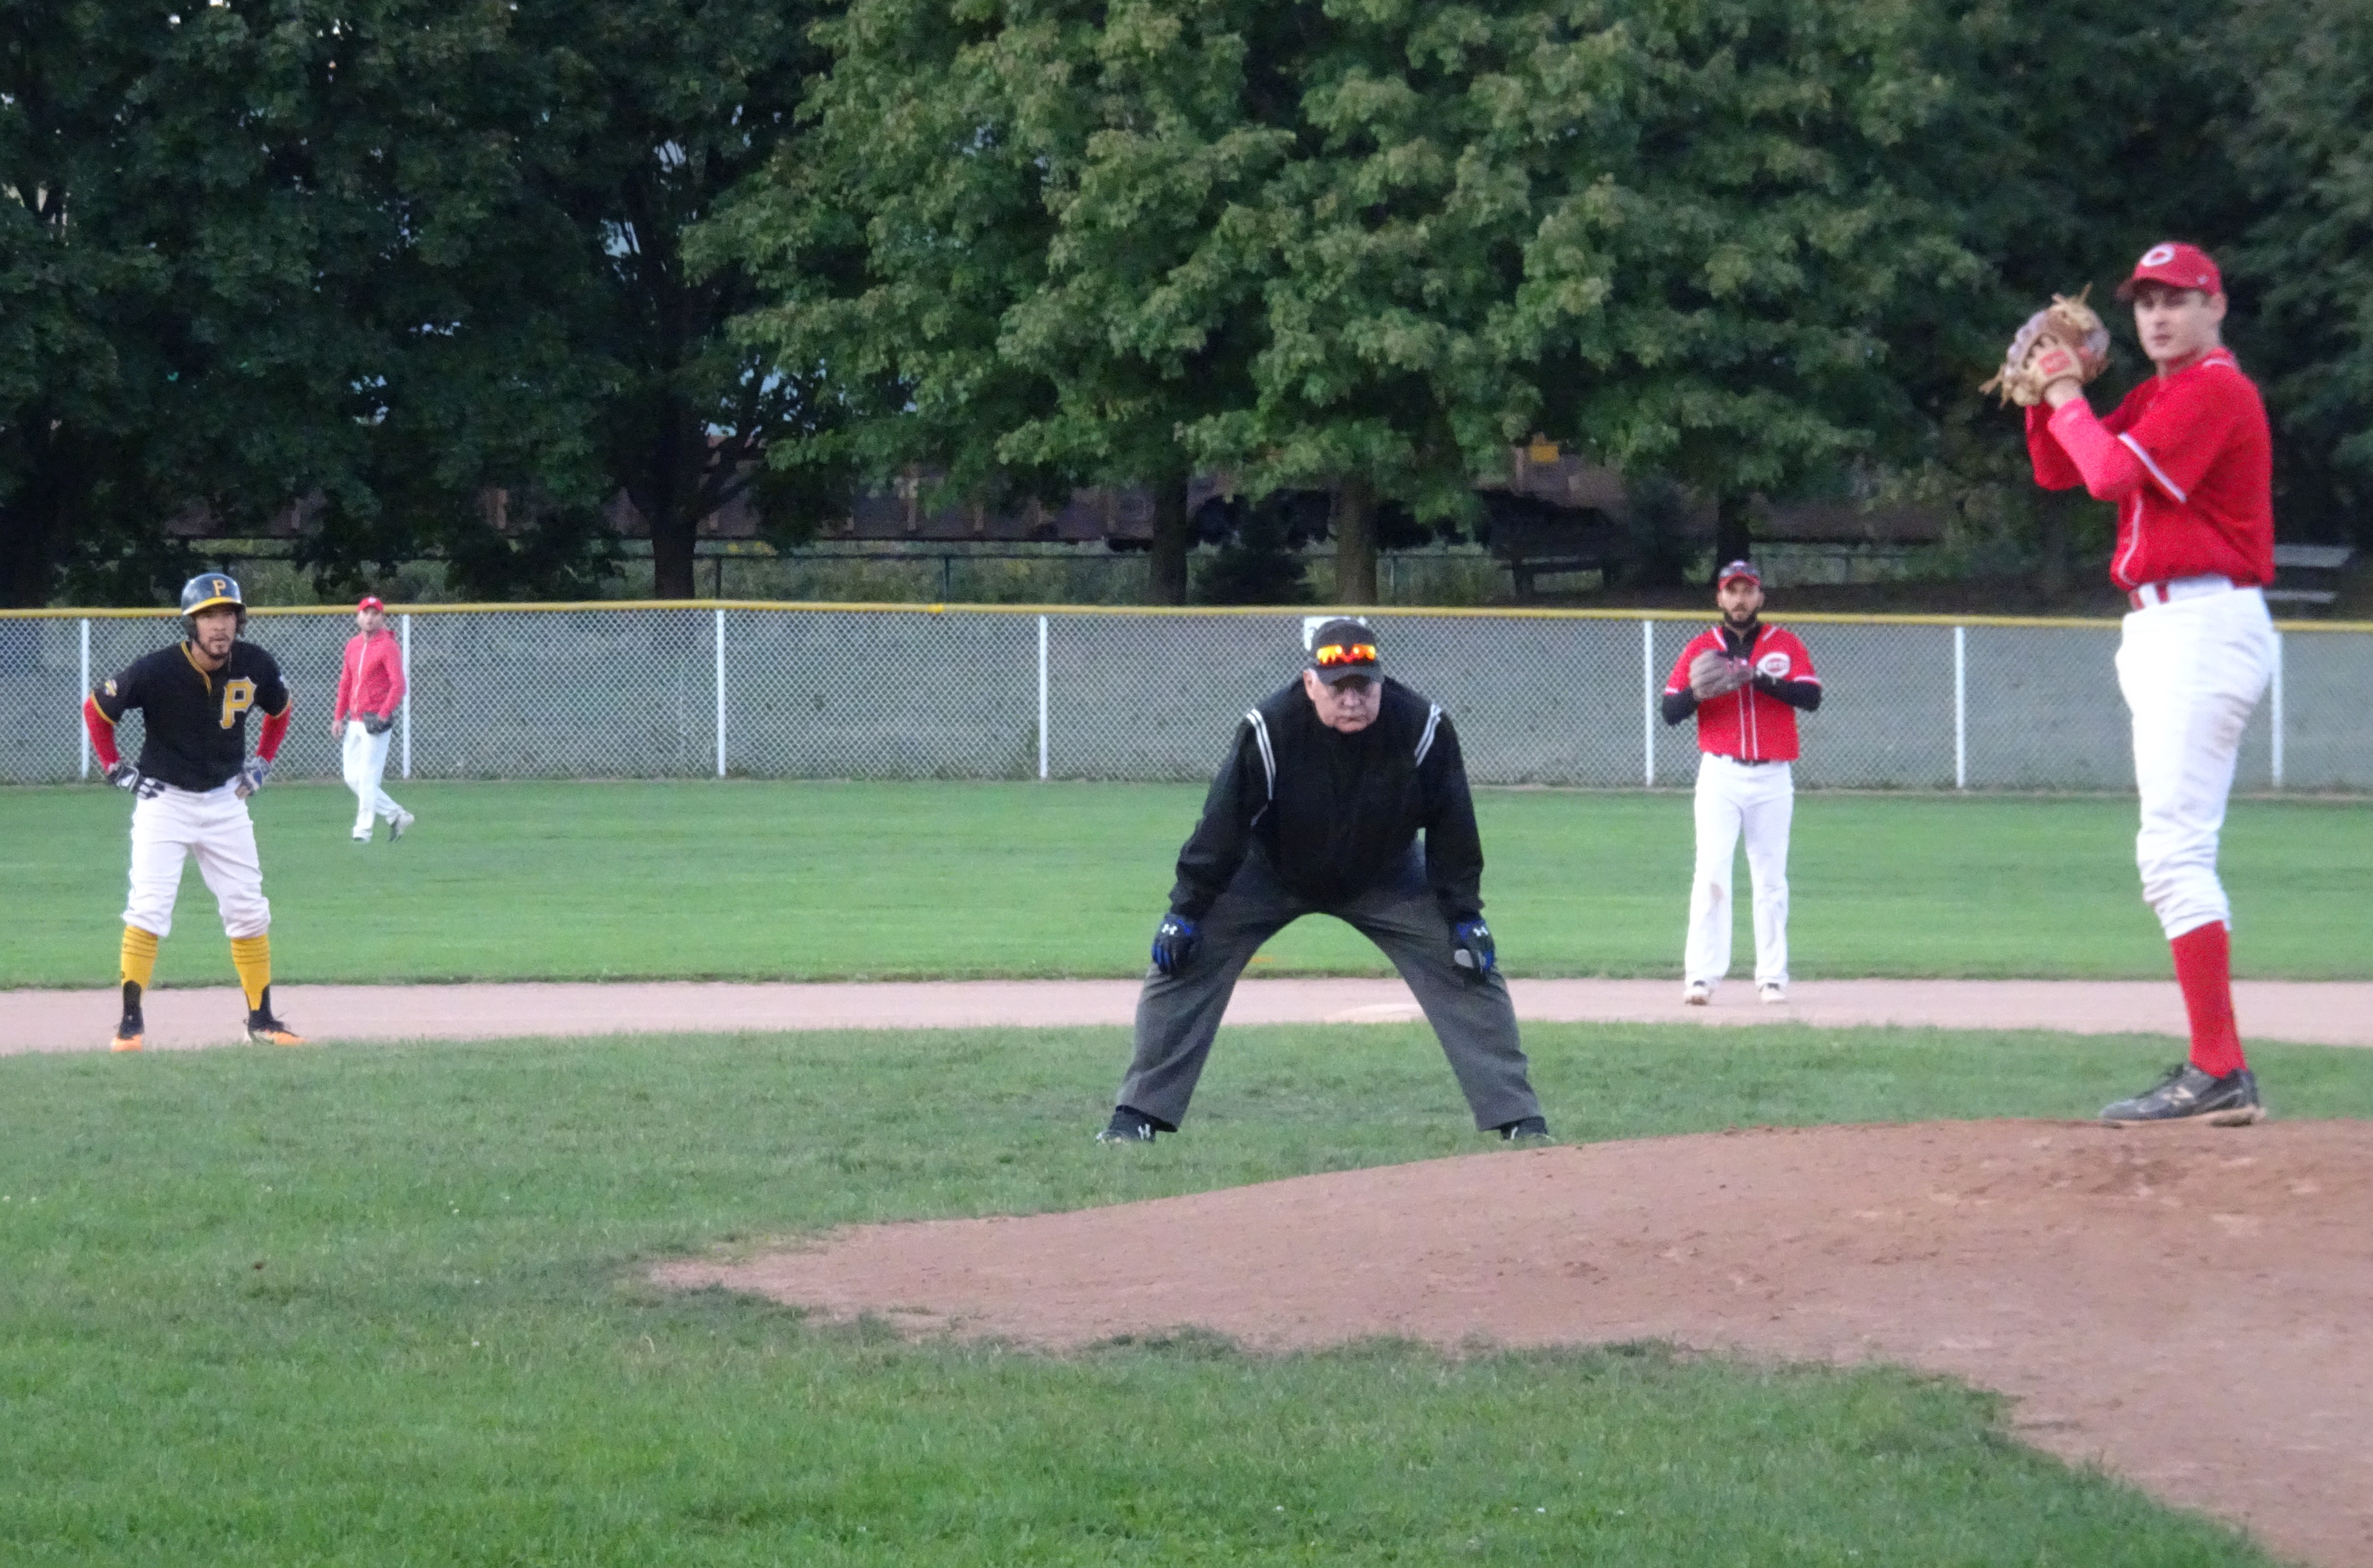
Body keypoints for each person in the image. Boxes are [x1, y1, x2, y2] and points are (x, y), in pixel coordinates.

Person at [1096, 618, 1549, 1145]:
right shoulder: (1270, 728)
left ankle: (1519, 1118)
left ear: (1382, 682)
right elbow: (1223, 823)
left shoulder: (1423, 727)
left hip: (1386, 872)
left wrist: (1465, 914)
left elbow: (1454, 825)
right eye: (1338, 688)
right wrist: (1185, 910)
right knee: (1181, 960)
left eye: (1364, 686)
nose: (1352, 699)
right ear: (1310, 683)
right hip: (1269, 869)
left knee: (1467, 962)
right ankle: (1137, 1114)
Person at [2020, 241, 2275, 1125]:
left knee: (2173, 854)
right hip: (2168, 625)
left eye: (2177, 299)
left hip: (2203, 620)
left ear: (2216, 307)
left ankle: (2219, 1069)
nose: (2158, 316)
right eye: (2145, 302)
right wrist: (2042, 398)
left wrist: (2065, 394)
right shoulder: (2159, 395)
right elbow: (2059, 467)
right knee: (2172, 851)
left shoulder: (2214, 390)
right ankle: (2219, 1067)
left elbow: (2108, 473)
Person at [82, 572, 305, 1050]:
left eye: (227, 614)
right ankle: (130, 1025)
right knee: (148, 908)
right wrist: (114, 768)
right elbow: (96, 710)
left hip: (226, 800)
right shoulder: (158, 669)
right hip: (164, 801)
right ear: (192, 624)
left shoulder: (256, 663)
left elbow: (281, 710)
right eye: (208, 616)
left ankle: (262, 1022)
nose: (219, 625)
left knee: (248, 910)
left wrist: (263, 762)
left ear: (240, 621)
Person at [1661, 561, 1822, 1006]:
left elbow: (1811, 697)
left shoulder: (1785, 644)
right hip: (1721, 773)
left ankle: (1772, 978)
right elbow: (1670, 712)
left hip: (1773, 775)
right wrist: (1699, 693)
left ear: (1760, 597)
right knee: (1711, 873)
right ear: (1719, 598)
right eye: (1732, 591)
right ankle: (1701, 977)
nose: (1740, 599)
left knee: (1771, 880)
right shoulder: (1701, 648)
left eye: (1747, 591)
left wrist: (1760, 678)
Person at [331, 595, 413, 842]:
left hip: (376, 721)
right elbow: (346, 683)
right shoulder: (353, 645)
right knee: (352, 778)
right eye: (365, 613)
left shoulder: (388, 646)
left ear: (382, 618)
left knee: (368, 778)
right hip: (355, 720)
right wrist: (338, 716)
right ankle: (396, 814)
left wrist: (383, 714)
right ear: (358, 617)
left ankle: (363, 831)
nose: (370, 618)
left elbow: (399, 685)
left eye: (375, 614)